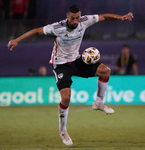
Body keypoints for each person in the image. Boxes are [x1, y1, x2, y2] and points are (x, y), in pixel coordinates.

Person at [7, 4, 133, 146]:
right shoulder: (57, 28)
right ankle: (63, 131)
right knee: (66, 98)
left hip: (76, 60)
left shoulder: (84, 21)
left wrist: (121, 17)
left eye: (77, 18)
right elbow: (36, 31)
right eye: (73, 18)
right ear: (67, 16)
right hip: (61, 65)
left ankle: (99, 103)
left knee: (106, 71)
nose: (75, 21)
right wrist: (17, 40)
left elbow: (103, 17)